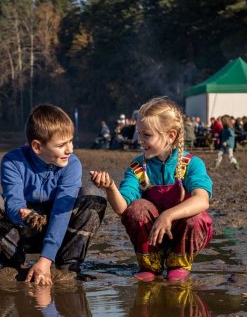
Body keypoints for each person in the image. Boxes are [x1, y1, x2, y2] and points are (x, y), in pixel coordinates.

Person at [0, 104, 107, 286]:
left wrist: (45, 260)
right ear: (37, 146)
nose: (70, 150)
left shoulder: (72, 164)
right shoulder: (12, 161)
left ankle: (68, 265)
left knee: (93, 194)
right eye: (61, 145)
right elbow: (13, 201)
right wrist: (23, 215)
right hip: (25, 231)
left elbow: (62, 211)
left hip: (60, 230)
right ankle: (14, 265)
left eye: (70, 141)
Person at [89, 97, 213, 282]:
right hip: (151, 236)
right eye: (139, 134)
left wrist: (168, 215)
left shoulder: (192, 164)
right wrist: (110, 187)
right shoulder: (138, 167)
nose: (139, 140)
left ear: (171, 135)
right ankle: (150, 264)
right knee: (136, 209)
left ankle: (178, 263)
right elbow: (122, 208)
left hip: (181, 232)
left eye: (146, 135)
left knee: (198, 217)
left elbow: (202, 200)